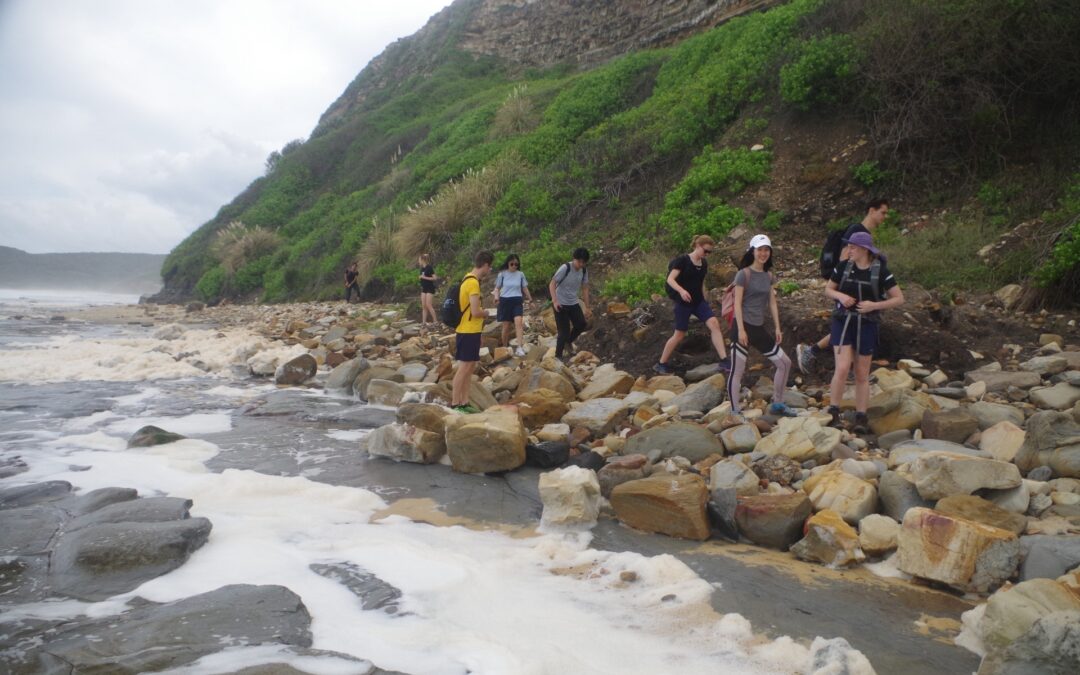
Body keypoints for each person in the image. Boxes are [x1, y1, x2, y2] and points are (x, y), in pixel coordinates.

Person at [797, 198, 890, 374]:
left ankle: (852, 371)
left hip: (851, 287)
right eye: (882, 212)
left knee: (854, 325)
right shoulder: (857, 231)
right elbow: (844, 259)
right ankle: (812, 352)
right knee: (849, 324)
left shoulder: (861, 231)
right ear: (871, 210)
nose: (884, 217)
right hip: (848, 288)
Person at [824, 231, 904, 433]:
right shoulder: (843, 267)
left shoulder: (881, 271)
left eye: (852, 247)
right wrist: (841, 297)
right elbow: (828, 290)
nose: (848, 250)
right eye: (849, 246)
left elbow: (898, 298)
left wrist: (874, 306)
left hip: (867, 323)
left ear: (864, 250)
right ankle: (833, 410)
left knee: (862, 373)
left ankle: (861, 416)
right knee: (842, 368)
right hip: (843, 321)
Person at [726, 234, 796, 417]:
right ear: (753, 251)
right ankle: (734, 411)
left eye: (766, 250)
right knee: (737, 370)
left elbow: (772, 302)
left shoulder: (768, 276)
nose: (763, 253)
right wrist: (740, 329)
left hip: (758, 327)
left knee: (785, 363)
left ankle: (778, 403)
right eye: (760, 250)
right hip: (742, 326)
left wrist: (778, 327)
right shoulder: (743, 274)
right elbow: (737, 304)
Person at [654, 235, 729, 375]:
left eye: (709, 253)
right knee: (679, 334)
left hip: (698, 301)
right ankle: (661, 363)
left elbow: (701, 283)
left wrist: (706, 300)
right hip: (683, 302)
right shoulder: (682, 261)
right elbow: (670, 279)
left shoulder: (703, 264)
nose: (707, 255)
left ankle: (724, 359)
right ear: (698, 246)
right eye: (706, 251)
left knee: (714, 324)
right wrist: (681, 291)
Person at [451, 250, 494, 414]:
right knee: (464, 368)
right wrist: (487, 313)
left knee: (469, 367)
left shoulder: (468, 279)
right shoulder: (473, 283)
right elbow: (476, 312)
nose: (489, 271)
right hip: (467, 331)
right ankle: (455, 404)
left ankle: (464, 401)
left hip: (471, 331)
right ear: (484, 265)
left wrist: (480, 333)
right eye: (489, 267)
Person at [548, 248, 591, 360]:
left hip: (573, 302)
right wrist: (555, 301)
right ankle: (558, 357)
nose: (581, 264)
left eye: (583, 262)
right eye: (579, 261)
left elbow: (585, 288)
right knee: (563, 331)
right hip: (560, 303)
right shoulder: (565, 268)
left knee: (581, 324)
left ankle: (569, 342)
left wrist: (587, 307)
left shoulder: (584, 271)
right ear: (574, 259)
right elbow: (552, 284)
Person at [493, 253, 533, 356]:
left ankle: (519, 347)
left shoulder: (520, 274)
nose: (514, 266)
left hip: (517, 301)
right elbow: (497, 288)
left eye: (516, 264)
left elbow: (524, 288)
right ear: (508, 263)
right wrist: (496, 297)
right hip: (505, 301)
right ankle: (505, 347)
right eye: (512, 264)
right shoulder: (502, 274)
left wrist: (530, 299)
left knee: (518, 323)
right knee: (506, 326)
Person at [418, 254, 438, 328]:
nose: (418, 261)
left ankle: (435, 321)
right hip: (424, 288)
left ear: (423, 260)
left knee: (428, 305)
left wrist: (424, 277)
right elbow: (422, 277)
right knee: (424, 306)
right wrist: (421, 278)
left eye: (419, 259)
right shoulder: (422, 269)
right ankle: (423, 322)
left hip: (430, 288)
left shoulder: (429, 267)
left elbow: (435, 278)